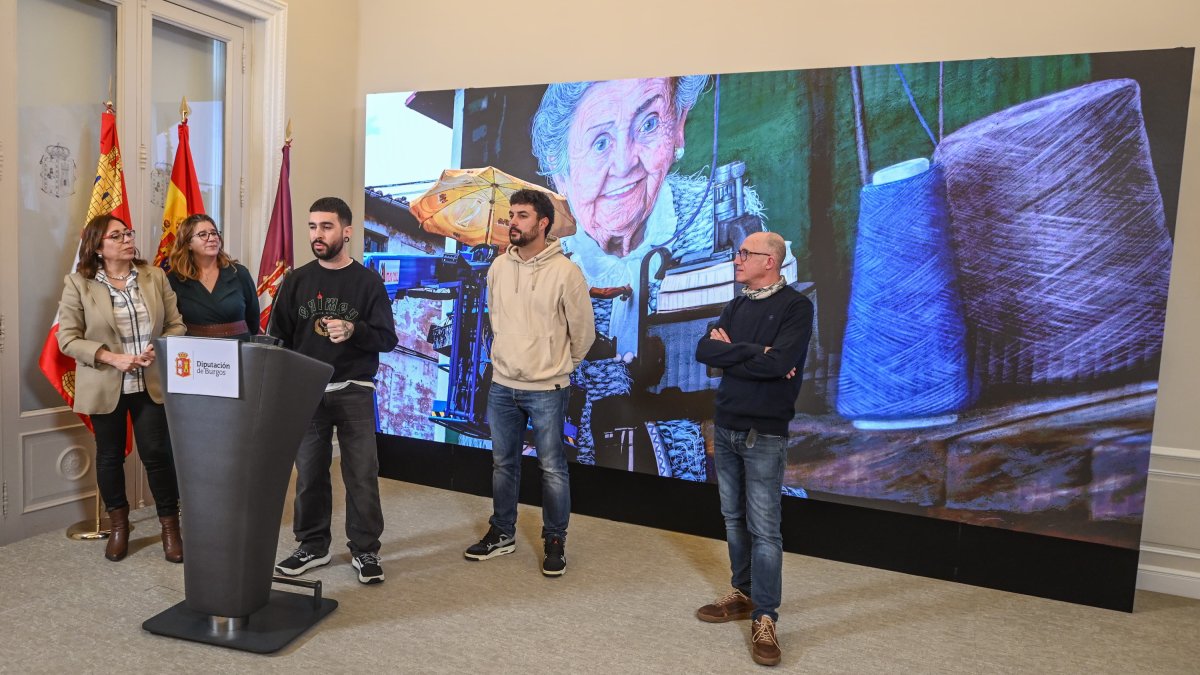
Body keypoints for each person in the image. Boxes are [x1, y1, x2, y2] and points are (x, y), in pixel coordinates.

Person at [531, 76, 765, 480]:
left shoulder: (720, 221)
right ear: (561, 172)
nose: (625, 163)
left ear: (678, 127)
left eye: (649, 124)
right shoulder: (545, 259)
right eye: (600, 142)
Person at [693, 231, 813, 667]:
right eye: (738, 252)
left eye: (745, 253)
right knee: (733, 518)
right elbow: (705, 351)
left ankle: (765, 617)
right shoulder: (738, 303)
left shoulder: (797, 307)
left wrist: (734, 354)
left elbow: (780, 364)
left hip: (764, 432)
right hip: (725, 425)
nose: (737, 259)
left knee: (765, 530)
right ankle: (741, 594)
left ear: (771, 261)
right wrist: (752, 352)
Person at [464, 189, 595, 576]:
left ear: (542, 223)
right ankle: (502, 532)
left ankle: (555, 539)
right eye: (510, 215)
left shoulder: (566, 273)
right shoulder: (498, 269)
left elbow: (583, 334)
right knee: (503, 464)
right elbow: (496, 321)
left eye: (522, 216)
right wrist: (508, 360)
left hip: (548, 388)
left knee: (552, 468)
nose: (512, 222)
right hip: (502, 385)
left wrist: (555, 366)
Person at [272, 197, 398, 585]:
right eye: (312, 226)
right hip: (307, 390)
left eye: (326, 226)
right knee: (309, 473)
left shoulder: (367, 282)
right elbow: (278, 338)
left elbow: (387, 338)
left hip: (354, 389)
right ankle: (313, 545)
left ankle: (365, 551)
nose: (317, 234)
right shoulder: (297, 281)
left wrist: (353, 330)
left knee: (361, 473)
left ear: (346, 231)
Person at [56, 213, 187, 563]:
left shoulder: (153, 276)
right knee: (110, 456)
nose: (128, 239)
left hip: (150, 382)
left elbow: (176, 325)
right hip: (105, 383)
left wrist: (155, 349)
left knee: (157, 455)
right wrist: (112, 358)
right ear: (99, 247)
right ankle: (119, 527)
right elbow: (67, 340)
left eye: (128, 233)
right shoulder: (78, 284)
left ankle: (170, 529)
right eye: (117, 236)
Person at [167, 213, 261, 339]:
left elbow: (253, 319)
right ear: (188, 243)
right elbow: (172, 323)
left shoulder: (239, 273)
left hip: (238, 348)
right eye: (203, 234)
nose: (212, 238)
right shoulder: (175, 279)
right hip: (195, 351)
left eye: (214, 233)